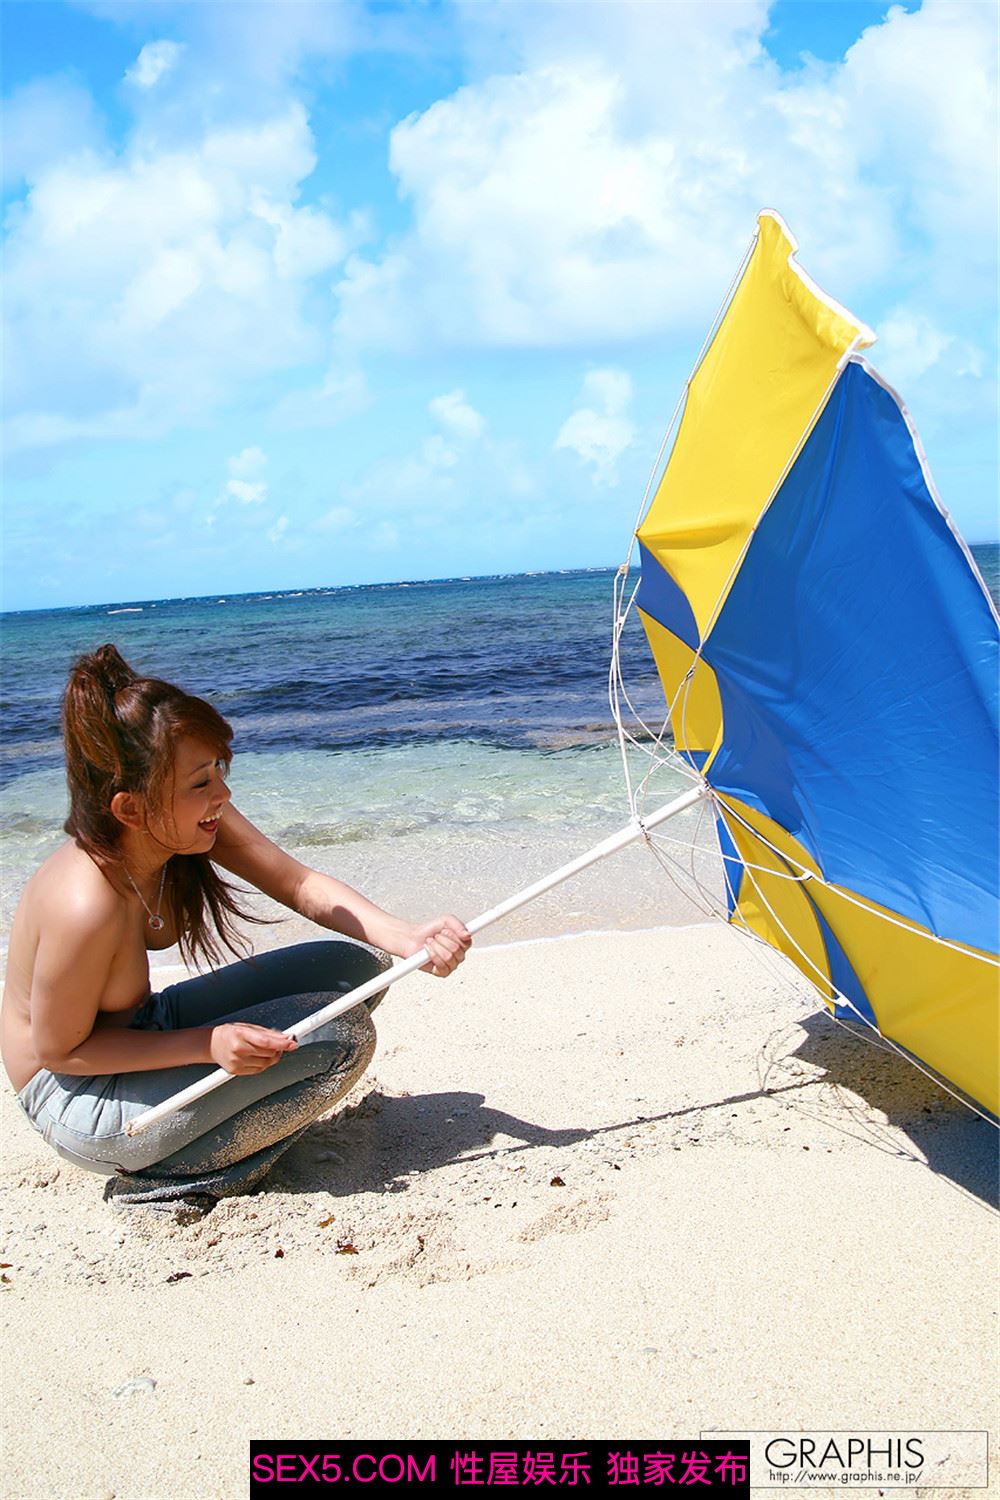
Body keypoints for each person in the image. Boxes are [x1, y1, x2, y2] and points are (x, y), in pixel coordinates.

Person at [1, 644, 471, 1205]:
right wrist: (209, 1044)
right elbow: (61, 1052)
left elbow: (298, 883)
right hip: (76, 1098)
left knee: (357, 970)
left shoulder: (184, 822)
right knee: (342, 1039)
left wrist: (409, 937)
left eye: (218, 770)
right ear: (130, 808)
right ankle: (174, 1179)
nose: (221, 794)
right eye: (200, 782)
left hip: (144, 1026)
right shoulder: (85, 903)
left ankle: (221, 1127)